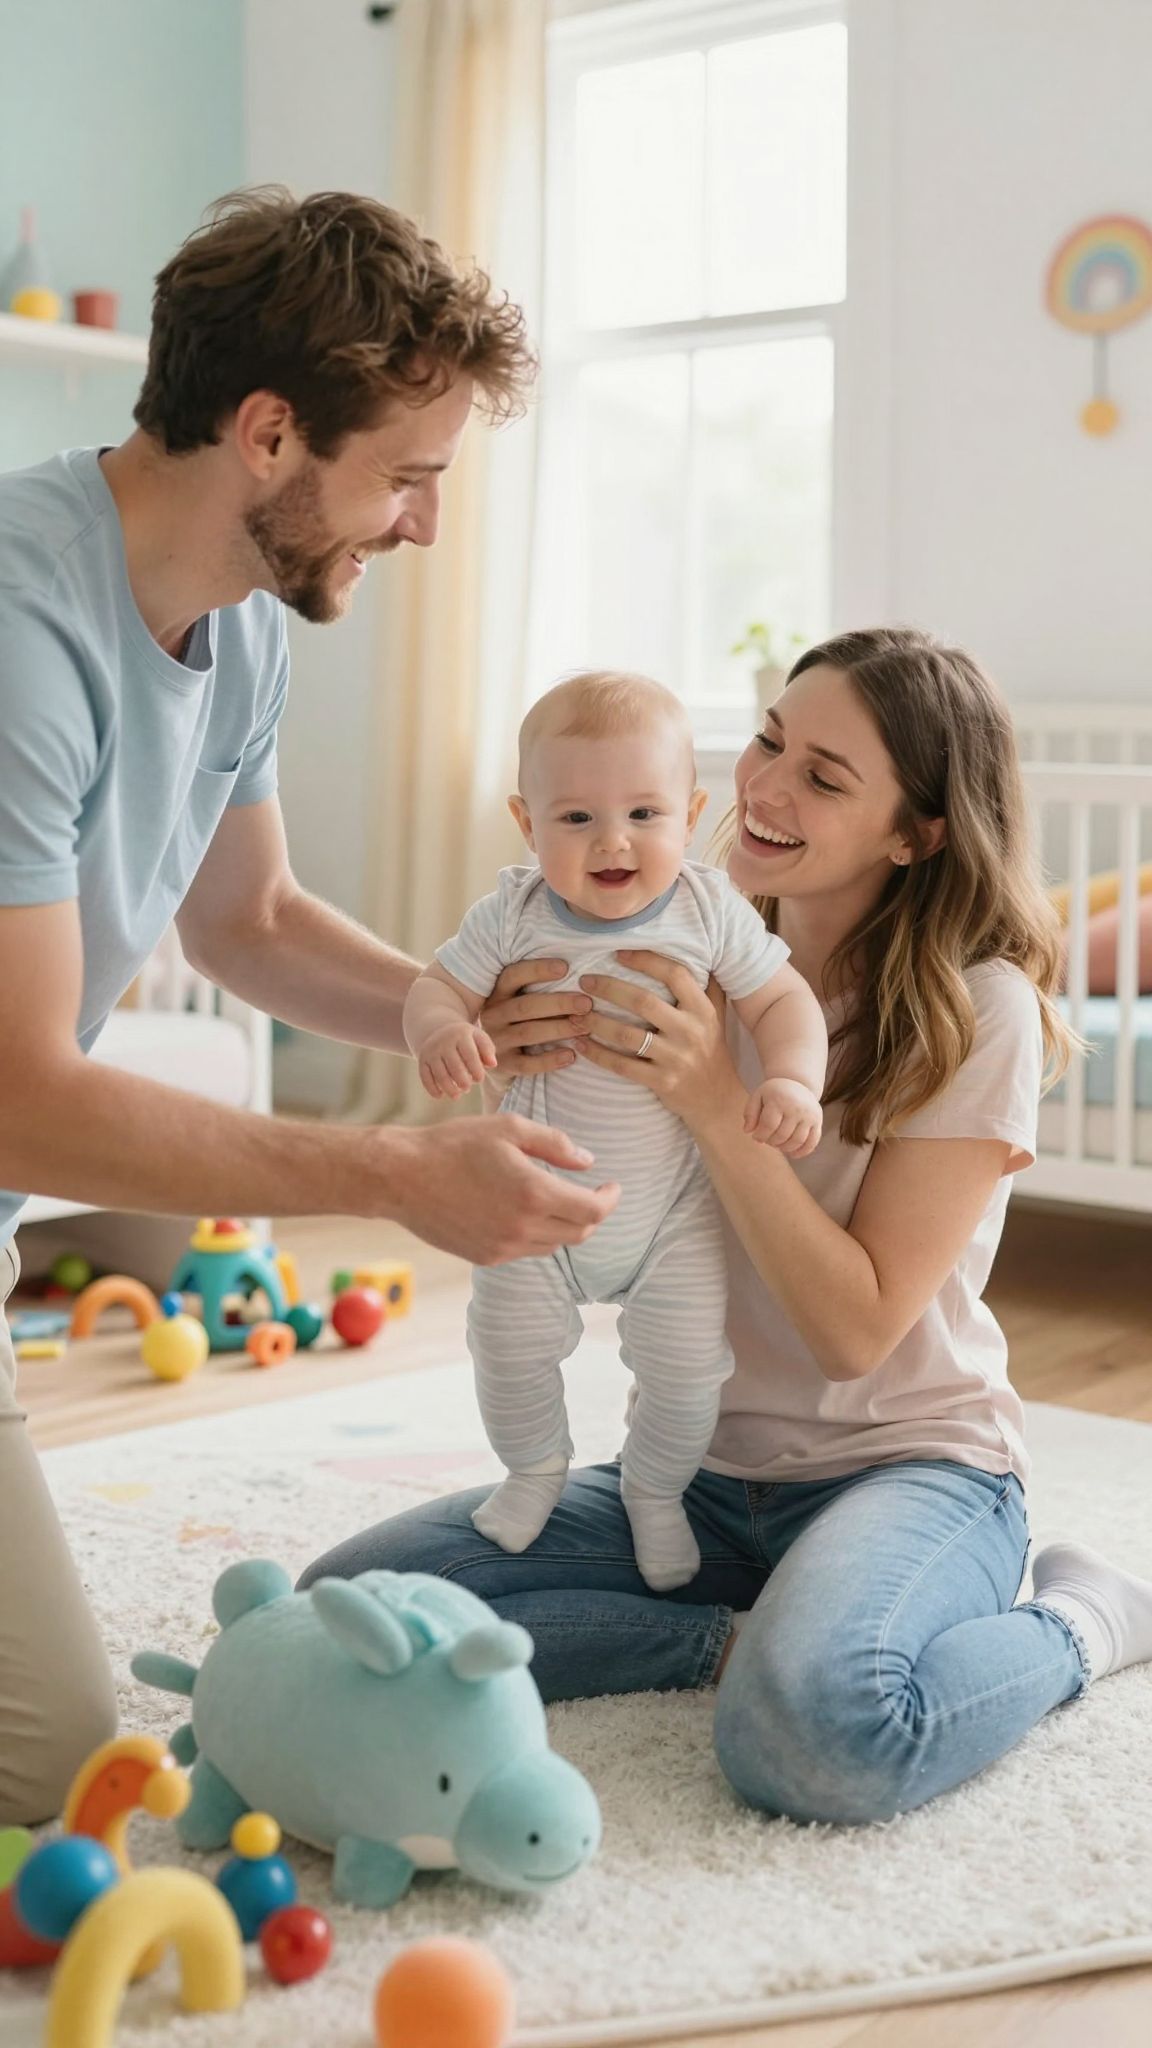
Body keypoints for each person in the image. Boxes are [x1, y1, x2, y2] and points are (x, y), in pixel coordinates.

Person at [302, 627, 1152, 1825]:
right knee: (350, 1606)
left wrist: (712, 1097)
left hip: (907, 1467)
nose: (763, 787)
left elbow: (855, 1329)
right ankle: (727, 1638)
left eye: (824, 775)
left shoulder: (977, 1008)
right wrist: (497, 1050)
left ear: (916, 833)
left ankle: (1083, 1619)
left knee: (815, 1740)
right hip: (702, 1477)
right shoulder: (661, 952)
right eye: (768, 740)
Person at [0, 187, 617, 1826]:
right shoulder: (18, 625)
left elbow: (249, 916)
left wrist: (460, 996)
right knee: (49, 1782)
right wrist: (397, 1171)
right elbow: (25, 1096)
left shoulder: (240, 626)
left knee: (61, 1777)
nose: (423, 524)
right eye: (408, 476)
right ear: (269, 432)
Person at [404, 671, 826, 1590]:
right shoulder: (510, 913)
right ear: (527, 822)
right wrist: (442, 1031)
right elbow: (436, 987)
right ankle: (533, 1469)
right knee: (506, 1345)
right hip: (536, 1196)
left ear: (690, 811)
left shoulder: (708, 910)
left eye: (643, 812)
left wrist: (793, 1078)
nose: (614, 841)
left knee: (684, 1371)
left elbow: (783, 999)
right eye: (577, 819)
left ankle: (655, 1492)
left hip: (670, 1209)